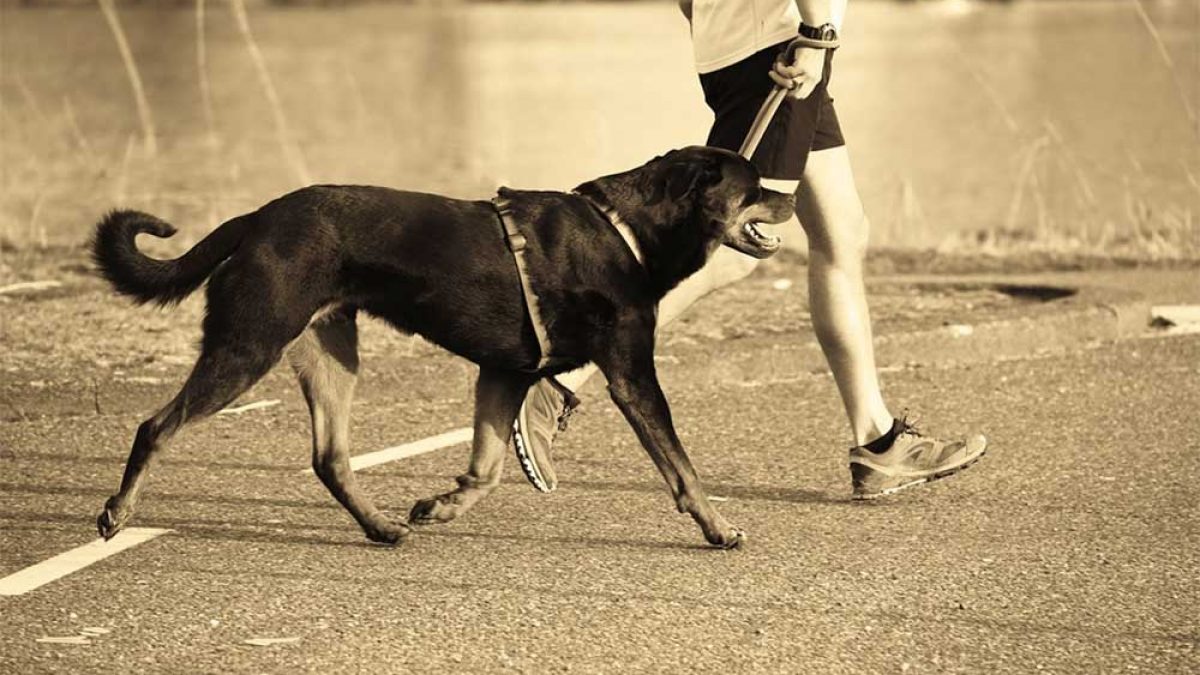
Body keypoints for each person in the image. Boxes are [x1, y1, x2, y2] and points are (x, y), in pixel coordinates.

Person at [512, 0, 986, 499]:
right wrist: (817, 34)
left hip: (762, 45)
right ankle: (559, 377)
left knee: (843, 231)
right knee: (729, 251)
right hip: (786, 44)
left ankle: (879, 442)